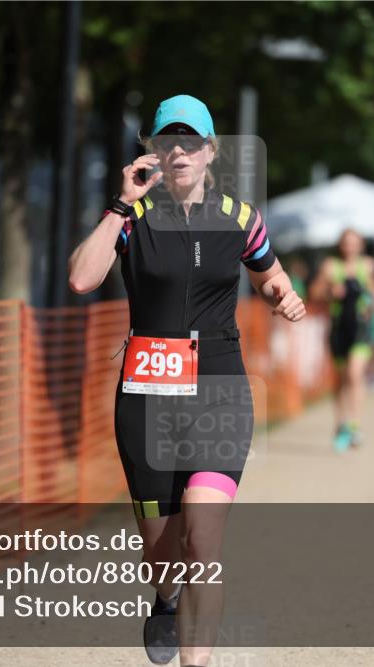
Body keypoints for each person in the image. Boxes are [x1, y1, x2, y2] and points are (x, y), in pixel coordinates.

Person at [68, 94, 305, 667]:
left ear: (210, 151)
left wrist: (283, 295)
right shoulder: (135, 220)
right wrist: (120, 206)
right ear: (151, 150)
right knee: (163, 551)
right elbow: (81, 278)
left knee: (204, 536)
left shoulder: (241, 221)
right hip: (146, 402)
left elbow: (272, 275)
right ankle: (166, 597)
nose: (179, 151)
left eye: (190, 141)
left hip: (220, 392)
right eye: (167, 140)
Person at [310, 229, 374, 451]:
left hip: (360, 328)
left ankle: (354, 424)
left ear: (360, 245)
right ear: (340, 245)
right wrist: (332, 292)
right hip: (339, 327)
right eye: (346, 242)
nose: (349, 247)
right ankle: (340, 424)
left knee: (354, 373)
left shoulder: (368, 266)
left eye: (354, 243)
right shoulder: (331, 266)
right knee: (341, 380)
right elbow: (314, 293)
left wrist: (371, 302)